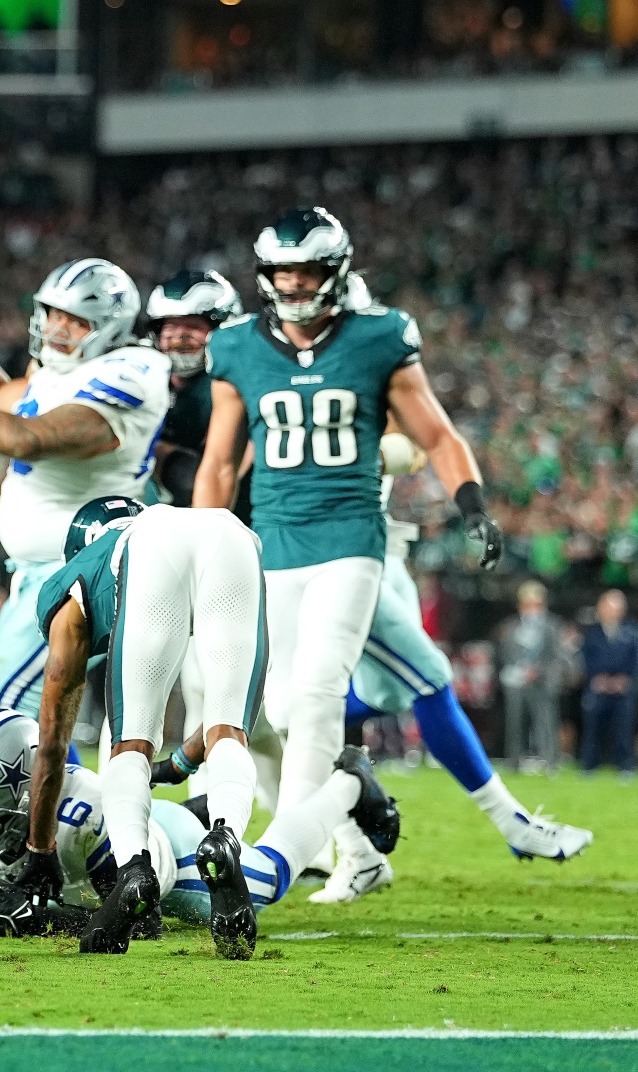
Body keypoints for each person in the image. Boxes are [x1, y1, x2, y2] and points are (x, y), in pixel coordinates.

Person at [193, 206, 503, 904]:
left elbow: (439, 434)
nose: (295, 285)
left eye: (307, 271)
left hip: (351, 541)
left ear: (335, 272)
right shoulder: (238, 345)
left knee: (318, 690)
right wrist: (202, 544)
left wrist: (472, 502)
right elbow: (218, 463)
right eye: (283, 273)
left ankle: (276, 862)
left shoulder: (378, 337)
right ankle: (351, 804)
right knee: (275, 705)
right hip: (275, 542)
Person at [0, 260, 170, 719]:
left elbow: (27, 438)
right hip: (40, 571)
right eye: (53, 313)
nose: (58, 327)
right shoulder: (60, 372)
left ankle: (49, 791)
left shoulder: (130, 371)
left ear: (110, 328)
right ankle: (70, 791)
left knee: (1, 706)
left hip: (79, 570)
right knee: (29, 713)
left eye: (75, 320)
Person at [326, 430, 592, 869]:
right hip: (331, 551)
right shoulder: (286, 377)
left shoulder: (368, 370)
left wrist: (382, 453)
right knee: (429, 676)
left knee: (384, 695)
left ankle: (350, 845)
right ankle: (513, 823)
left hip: (380, 544)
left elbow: (420, 444)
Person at [0, 708, 399, 949]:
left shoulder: (85, 820)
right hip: (125, 848)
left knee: (269, 878)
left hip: (167, 857)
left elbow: (142, 923)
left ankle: (350, 782)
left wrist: (35, 921)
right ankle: (197, 807)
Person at [23, 496, 266, 959]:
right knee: (229, 730)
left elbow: (53, 740)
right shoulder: (183, 534)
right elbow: (229, 715)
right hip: (234, 536)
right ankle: (225, 837)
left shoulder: (78, 580)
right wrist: (181, 761)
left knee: (129, 745)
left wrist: (40, 848)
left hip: (150, 548)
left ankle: (134, 870)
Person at [142, 269, 242, 509]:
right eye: (170, 326)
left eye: (192, 325)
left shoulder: (233, 381)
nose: (178, 337)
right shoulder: (143, 370)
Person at [499, 581, 566, 774]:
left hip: (542, 683)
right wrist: (516, 670)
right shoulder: (511, 627)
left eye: (536, 604)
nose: (532, 609)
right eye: (528, 604)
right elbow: (505, 654)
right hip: (517, 683)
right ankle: (513, 761)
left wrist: (539, 670)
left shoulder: (552, 627)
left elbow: (557, 656)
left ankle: (551, 762)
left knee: (545, 723)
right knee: (515, 724)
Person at [580, 590, 637, 778]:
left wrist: (623, 680)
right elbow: (586, 659)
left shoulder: (631, 633)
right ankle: (590, 765)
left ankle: (625, 766)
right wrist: (598, 679)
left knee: (624, 727)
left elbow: (634, 660)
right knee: (592, 728)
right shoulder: (592, 633)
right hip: (598, 688)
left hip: (622, 689)